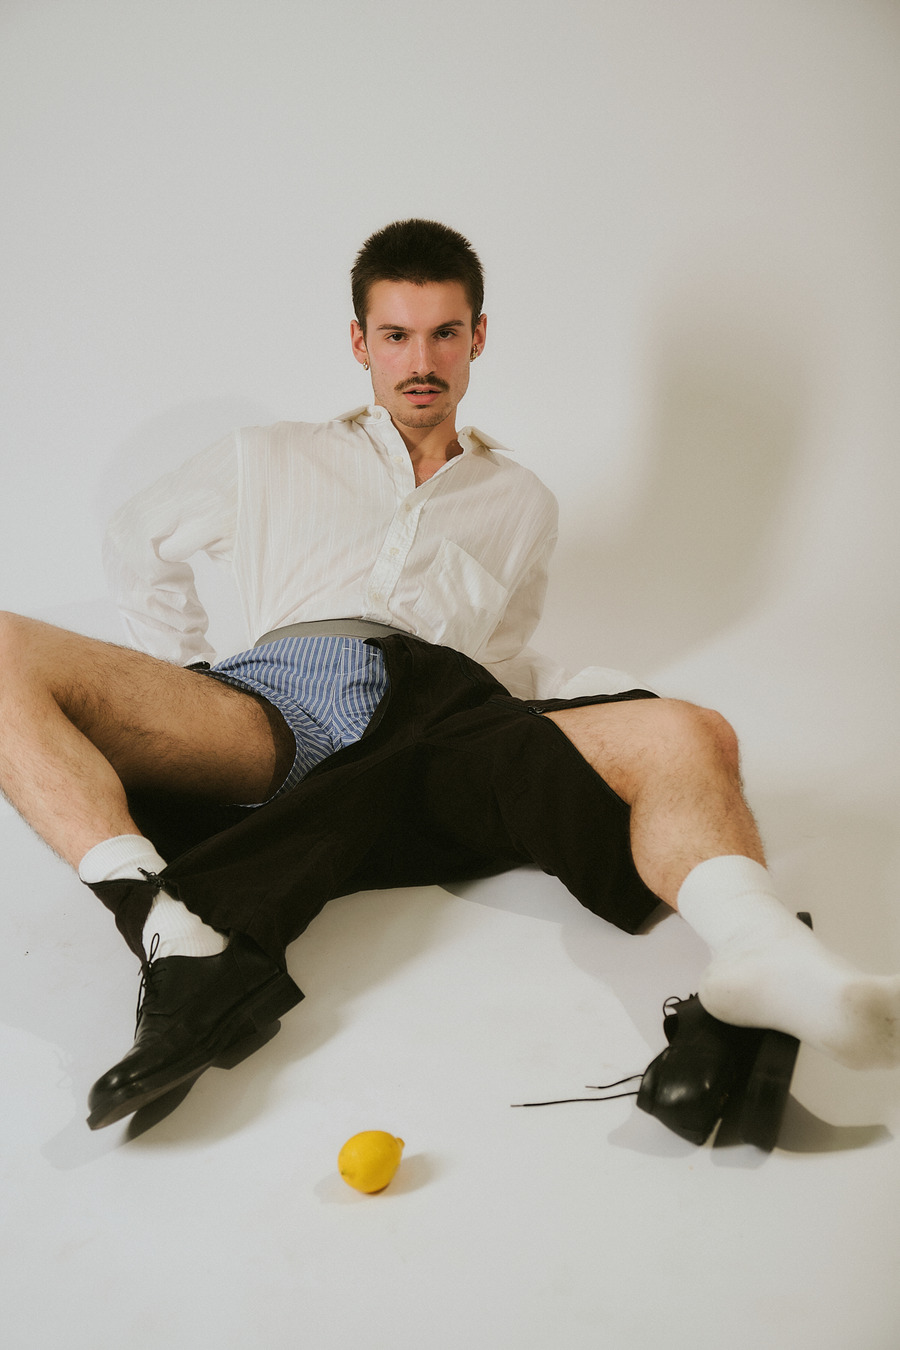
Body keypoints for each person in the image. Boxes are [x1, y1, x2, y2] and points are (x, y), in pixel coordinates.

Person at [1, 218, 898, 1137]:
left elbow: (501, 656)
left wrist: (609, 706)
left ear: (478, 336)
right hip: (276, 702)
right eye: (396, 335)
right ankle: (175, 938)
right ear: (360, 342)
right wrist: (185, 678)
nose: (420, 361)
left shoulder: (522, 502)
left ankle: (757, 951)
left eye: (443, 333)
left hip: (444, 725)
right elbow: (135, 539)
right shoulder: (268, 455)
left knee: (688, 728)